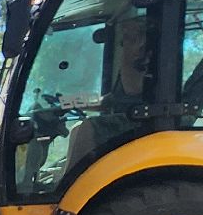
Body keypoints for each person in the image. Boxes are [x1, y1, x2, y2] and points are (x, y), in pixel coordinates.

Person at [64, 10, 151, 170]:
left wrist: (131, 55)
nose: (123, 41)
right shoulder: (128, 69)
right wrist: (70, 102)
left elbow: (133, 90)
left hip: (142, 126)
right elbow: (111, 99)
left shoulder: (144, 65)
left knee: (87, 129)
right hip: (131, 122)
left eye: (127, 38)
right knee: (77, 128)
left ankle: (72, 188)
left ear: (142, 41)